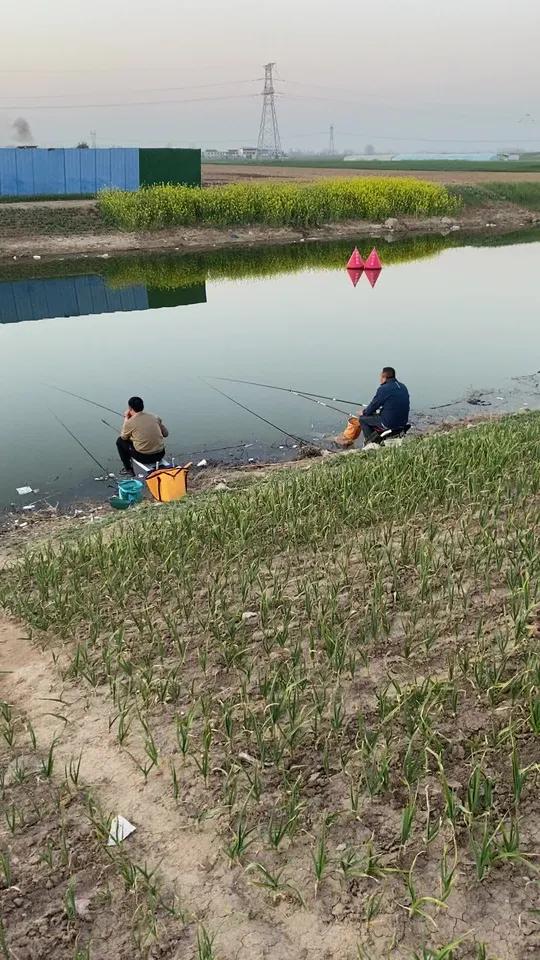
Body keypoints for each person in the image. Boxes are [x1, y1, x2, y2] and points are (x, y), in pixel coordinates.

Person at [116, 396, 169, 475]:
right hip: (160, 454)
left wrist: (126, 418)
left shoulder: (130, 422)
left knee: (120, 441)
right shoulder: (155, 417)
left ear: (130, 408)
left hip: (144, 458)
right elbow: (166, 434)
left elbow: (123, 437)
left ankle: (128, 469)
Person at [359, 367, 410, 446]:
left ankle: (370, 443)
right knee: (375, 416)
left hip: (390, 423)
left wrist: (363, 412)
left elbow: (373, 406)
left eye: (380, 376)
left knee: (363, 419)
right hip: (403, 422)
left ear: (384, 377)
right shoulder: (403, 386)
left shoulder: (383, 389)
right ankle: (379, 437)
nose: (379, 379)